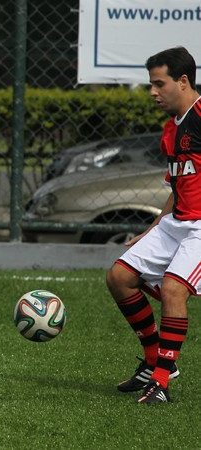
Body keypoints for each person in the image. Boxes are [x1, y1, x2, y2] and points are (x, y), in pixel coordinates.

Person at [106, 46, 201, 404]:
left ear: (183, 81)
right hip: (176, 222)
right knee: (119, 277)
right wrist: (152, 229)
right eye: (150, 84)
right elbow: (178, 188)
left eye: (159, 84)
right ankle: (151, 358)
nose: (152, 92)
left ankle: (161, 382)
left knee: (174, 289)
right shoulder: (170, 129)